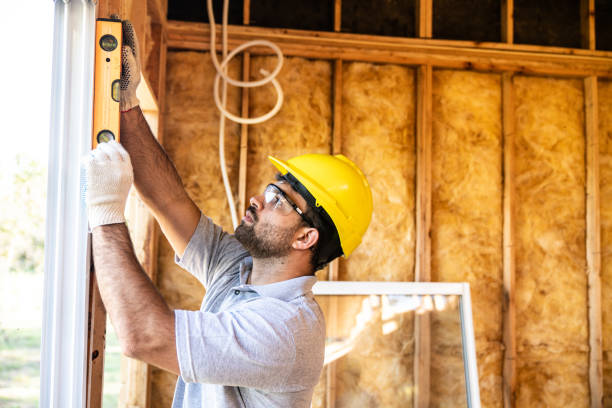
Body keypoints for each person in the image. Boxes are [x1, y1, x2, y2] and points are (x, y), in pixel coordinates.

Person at [83, 22, 373, 408]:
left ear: (306, 238)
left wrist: (105, 211)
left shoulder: (284, 329)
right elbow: (170, 201)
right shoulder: (240, 268)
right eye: (269, 190)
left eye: (278, 200)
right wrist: (128, 106)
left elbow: (144, 337)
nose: (257, 199)